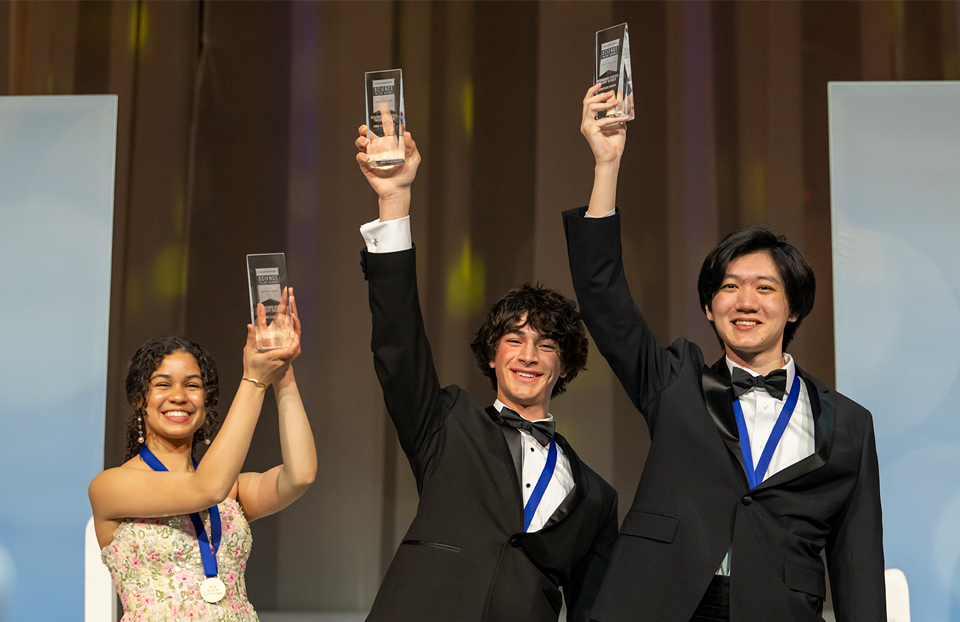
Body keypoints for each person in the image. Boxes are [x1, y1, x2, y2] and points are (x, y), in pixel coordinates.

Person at [562, 84, 885, 621]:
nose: (745, 301)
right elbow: (603, 297)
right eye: (729, 287)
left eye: (765, 288)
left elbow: (859, 565)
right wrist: (606, 164)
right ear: (709, 309)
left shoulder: (851, 424)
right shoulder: (675, 383)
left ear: (794, 307)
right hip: (660, 604)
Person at [354, 124, 618, 622]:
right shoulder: (447, 424)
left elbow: (593, 611)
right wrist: (393, 201)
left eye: (546, 345)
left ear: (564, 365)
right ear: (492, 355)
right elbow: (398, 344)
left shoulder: (598, 498)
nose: (528, 355)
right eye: (514, 340)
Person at [89, 293, 316, 621]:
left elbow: (300, 475)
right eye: (163, 384)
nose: (179, 396)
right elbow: (205, 489)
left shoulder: (232, 490)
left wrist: (282, 371)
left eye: (192, 386)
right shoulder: (111, 486)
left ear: (206, 402)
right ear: (140, 399)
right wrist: (253, 381)